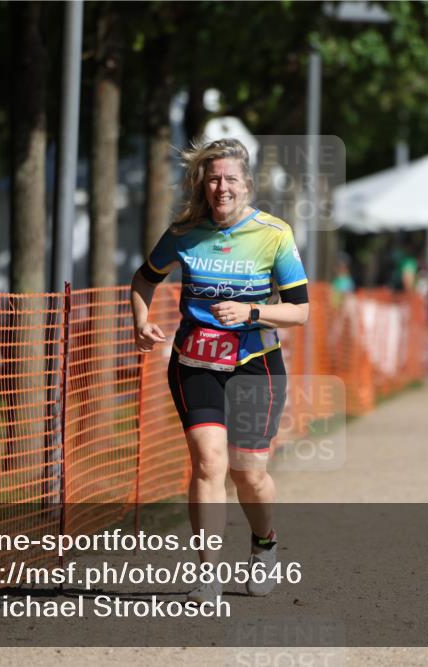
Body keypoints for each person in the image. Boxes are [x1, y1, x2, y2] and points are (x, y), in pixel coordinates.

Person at [129, 138, 309, 603]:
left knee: (248, 472)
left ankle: (264, 544)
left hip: (255, 364)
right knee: (208, 461)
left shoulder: (275, 234)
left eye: (230, 178)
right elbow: (144, 278)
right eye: (213, 178)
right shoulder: (185, 232)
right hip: (195, 362)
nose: (221, 187)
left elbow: (300, 311)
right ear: (202, 184)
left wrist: (252, 313)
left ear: (246, 183)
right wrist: (141, 322)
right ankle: (208, 573)